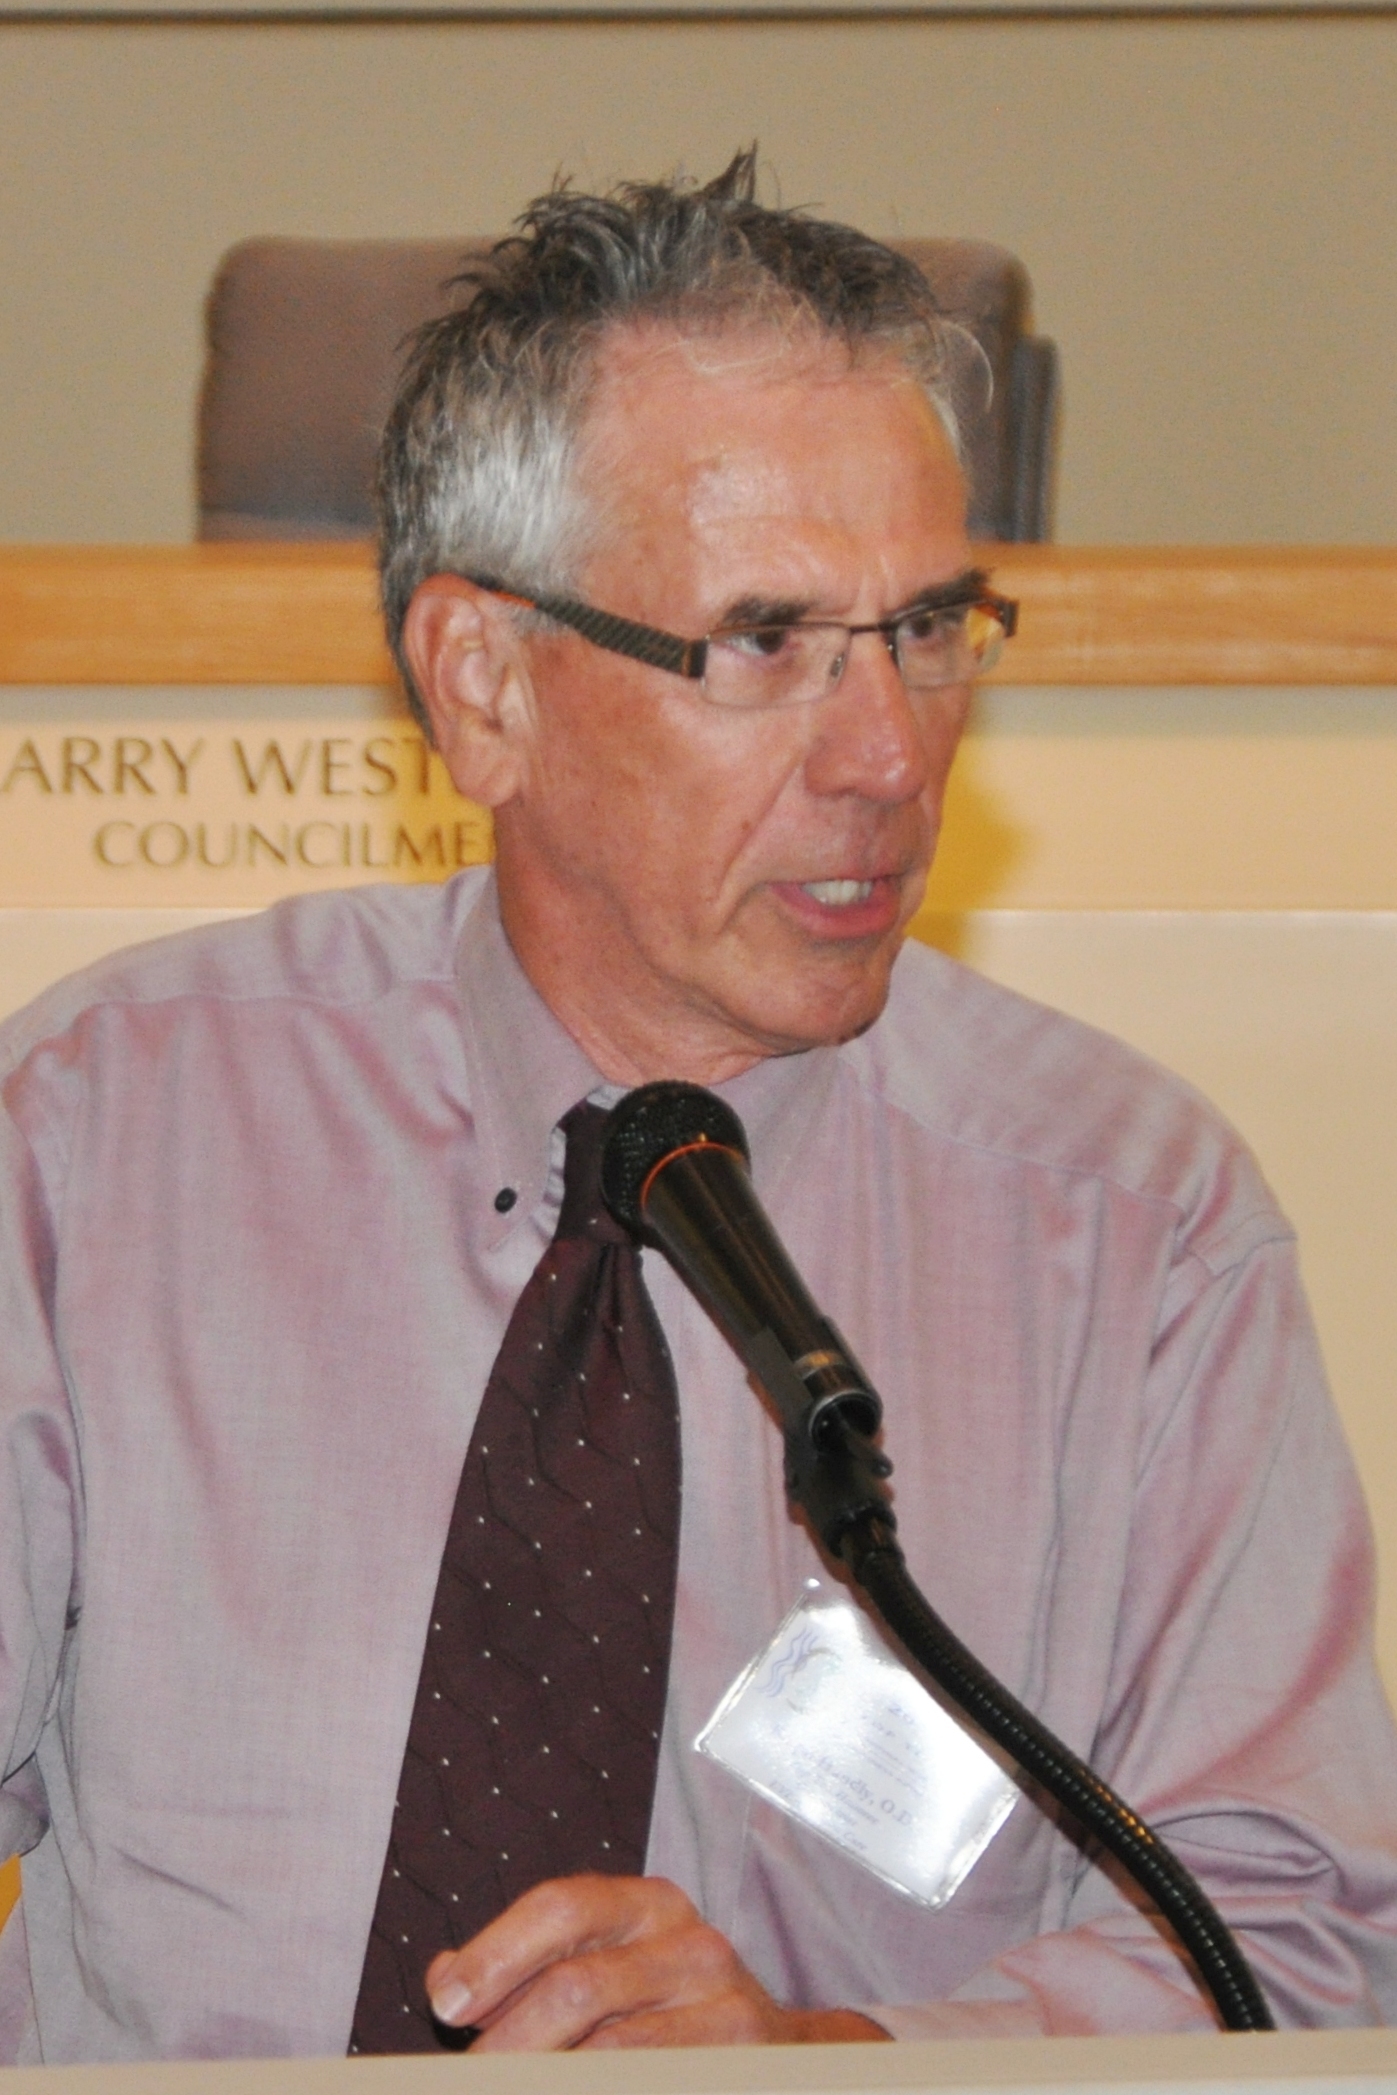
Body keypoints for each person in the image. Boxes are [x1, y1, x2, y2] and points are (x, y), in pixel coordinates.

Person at [3, 153, 1397, 2064]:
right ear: (482, 687)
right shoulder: (105, 1136)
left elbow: (1296, 1948)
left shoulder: (1134, 1230)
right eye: (764, 642)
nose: (889, 754)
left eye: (929, 629)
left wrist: (822, 2071)